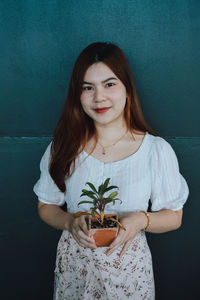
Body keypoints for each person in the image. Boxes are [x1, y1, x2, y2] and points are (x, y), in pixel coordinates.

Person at [33, 42, 189, 300]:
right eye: (88, 88)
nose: (99, 97)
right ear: (77, 94)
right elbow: (46, 206)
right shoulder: (63, 147)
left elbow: (174, 216)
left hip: (128, 274)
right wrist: (70, 222)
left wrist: (141, 220)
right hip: (76, 271)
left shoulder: (155, 150)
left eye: (109, 84)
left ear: (127, 88)